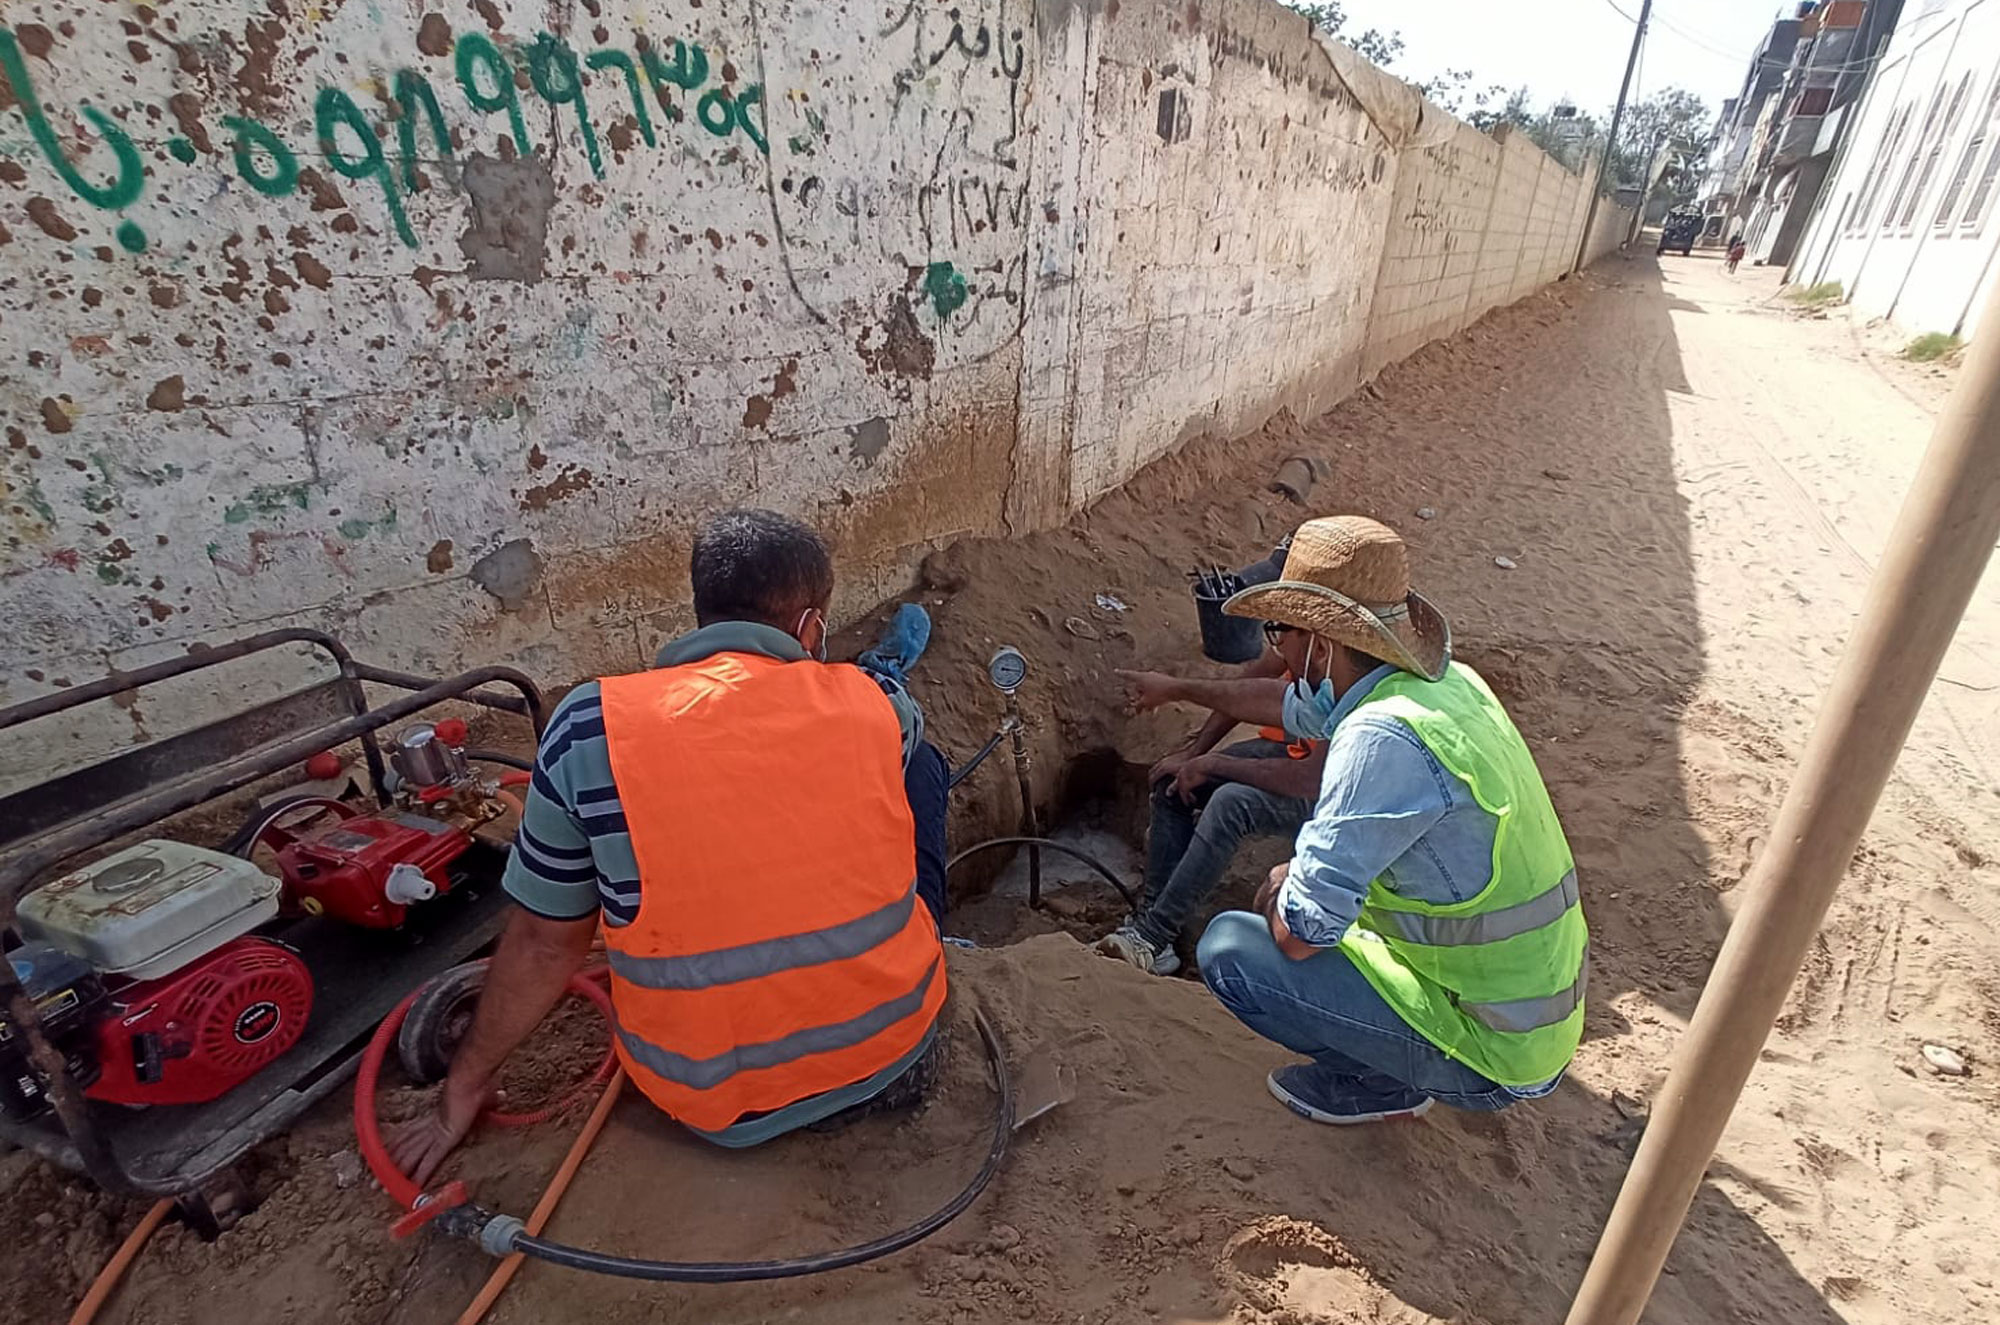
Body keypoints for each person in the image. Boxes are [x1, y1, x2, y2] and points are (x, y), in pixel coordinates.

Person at [392, 510, 950, 1183]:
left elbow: (546, 942)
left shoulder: (589, 728)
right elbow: (888, 741)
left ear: (702, 614)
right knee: (920, 764)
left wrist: (463, 1085)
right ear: (811, 629)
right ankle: (889, 672)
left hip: (714, 1104)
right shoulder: (876, 709)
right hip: (895, 1060)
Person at [1195, 516, 1586, 1125]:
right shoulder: (1448, 687)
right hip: (1531, 1025)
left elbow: (1298, 936)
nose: (1283, 658)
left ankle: (1377, 1085)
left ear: (1321, 644)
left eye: (1283, 635)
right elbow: (1292, 707)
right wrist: (1181, 691)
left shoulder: (1380, 739)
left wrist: (1283, 881)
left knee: (1231, 949)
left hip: (1486, 1051)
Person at [1096, 541, 1327, 977]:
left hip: (1332, 790)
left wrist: (1216, 765)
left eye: (1280, 629)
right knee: (1173, 784)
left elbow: (1308, 782)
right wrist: (1193, 753)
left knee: (1230, 803)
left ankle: (1150, 935)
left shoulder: (1353, 683)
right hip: (1300, 756)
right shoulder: (1307, 650)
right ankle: (1154, 932)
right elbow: (1246, 694)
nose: (1274, 642)